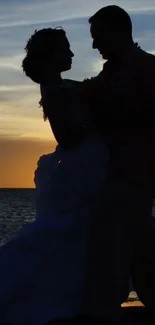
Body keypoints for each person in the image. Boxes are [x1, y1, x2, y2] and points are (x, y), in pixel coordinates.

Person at [38, 6, 155, 310]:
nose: (93, 45)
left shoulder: (146, 70)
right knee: (135, 255)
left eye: (97, 37)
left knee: (121, 258)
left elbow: (107, 101)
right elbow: (93, 91)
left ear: (116, 33)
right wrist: (54, 85)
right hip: (113, 182)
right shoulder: (113, 71)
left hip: (133, 178)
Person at [0, 29, 109, 325]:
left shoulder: (61, 87)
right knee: (66, 236)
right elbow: (68, 137)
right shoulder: (55, 92)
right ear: (50, 57)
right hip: (81, 166)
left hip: (86, 163)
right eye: (66, 50)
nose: (73, 55)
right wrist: (96, 119)